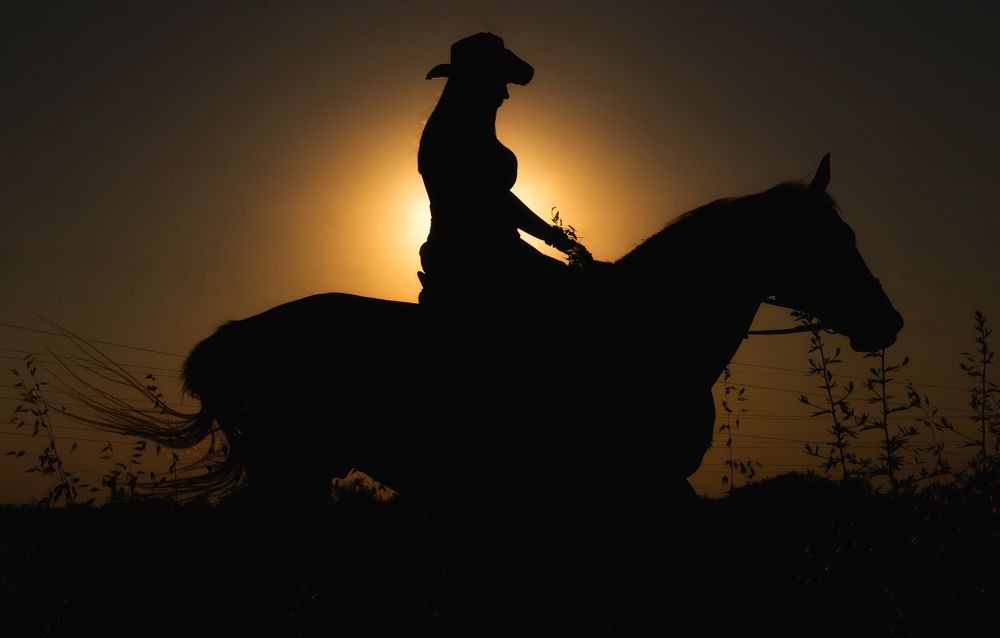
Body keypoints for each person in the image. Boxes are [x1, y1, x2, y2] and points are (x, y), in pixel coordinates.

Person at [417, 32, 591, 309]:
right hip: (481, 256)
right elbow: (494, 200)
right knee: (587, 295)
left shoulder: (450, 133)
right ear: (479, 82)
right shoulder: (452, 137)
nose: (506, 94)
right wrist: (557, 239)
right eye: (500, 81)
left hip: (489, 251)